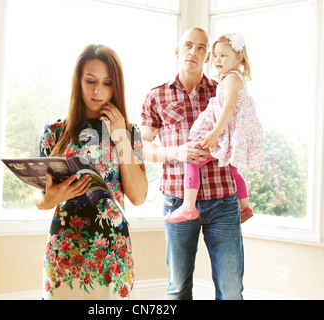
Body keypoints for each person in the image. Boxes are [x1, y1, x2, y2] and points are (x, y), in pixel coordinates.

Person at [33, 44, 148, 300]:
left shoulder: (129, 132)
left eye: (107, 83)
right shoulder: (54, 131)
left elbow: (138, 196)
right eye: (90, 81)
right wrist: (53, 196)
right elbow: (39, 198)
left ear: (116, 86)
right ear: (78, 81)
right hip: (64, 249)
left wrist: (120, 138)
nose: (98, 91)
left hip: (112, 252)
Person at [141, 27, 244, 300]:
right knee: (178, 289)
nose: (194, 52)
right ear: (178, 51)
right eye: (188, 45)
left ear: (208, 55)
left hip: (223, 201)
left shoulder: (223, 89)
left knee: (232, 291)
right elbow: (142, 149)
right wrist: (177, 152)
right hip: (177, 201)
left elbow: (240, 126)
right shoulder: (156, 96)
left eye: (201, 48)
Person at [164, 33, 264, 224]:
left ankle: (187, 207)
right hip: (230, 133)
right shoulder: (232, 78)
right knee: (233, 169)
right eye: (216, 55)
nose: (218, 60)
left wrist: (214, 133)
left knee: (192, 159)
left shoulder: (230, 79)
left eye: (224, 55)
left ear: (239, 57)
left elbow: (229, 107)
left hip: (224, 133)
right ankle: (245, 207)